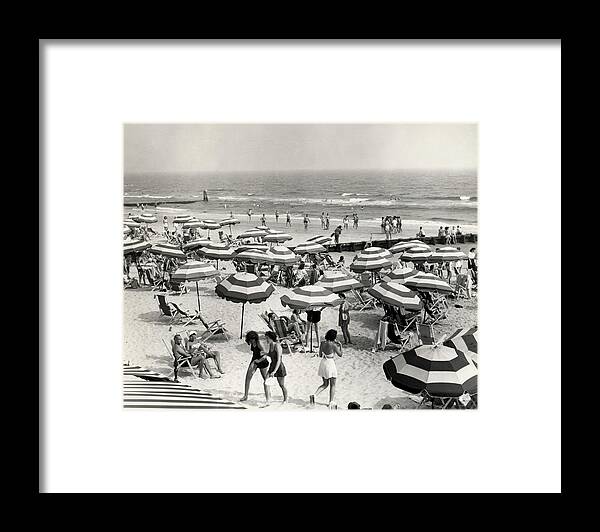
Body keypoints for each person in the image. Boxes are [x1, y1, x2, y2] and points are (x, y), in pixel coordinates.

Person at [310, 329, 342, 408]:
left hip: (323, 363)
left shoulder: (322, 343)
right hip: (330, 364)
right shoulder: (334, 345)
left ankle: (315, 395)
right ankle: (331, 402)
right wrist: (340, 346)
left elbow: (320, 355)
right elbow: (340, 354)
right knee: (333, 384)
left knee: (325, 384)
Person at [241, 330, 271, 405]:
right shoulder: (251, 343)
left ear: (255, 338)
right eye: (251, 339)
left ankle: (268, 396)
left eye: (253, 339)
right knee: (248, 377)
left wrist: (259, 360)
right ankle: (245, 395)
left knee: (265, 379)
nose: (252, 341)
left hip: (262, 361)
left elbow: (265, 354)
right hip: (255, 360)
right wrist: (255, 361)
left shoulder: (259, 343)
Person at [264, 331, 288, 404]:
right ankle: (268, 400)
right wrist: (266, 354)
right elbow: (272, 355)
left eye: (267, 338)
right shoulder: (270, 345)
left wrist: (274, 371)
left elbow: (279, 360)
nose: (266, 340)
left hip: (279, 367)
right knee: (266, 382)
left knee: (281, 385)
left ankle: (286, 399)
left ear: (271, 338)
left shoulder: (277, 346)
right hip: (272, 365)